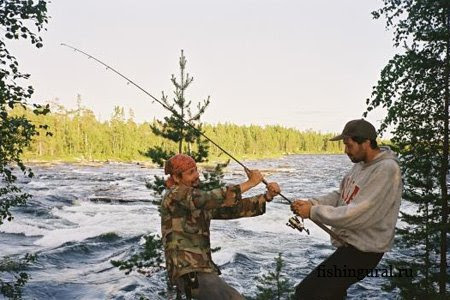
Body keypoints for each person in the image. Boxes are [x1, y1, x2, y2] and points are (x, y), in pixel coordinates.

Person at [290, 119, 403, 300]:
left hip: (365, 252)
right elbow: (341, 195)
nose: (345, 151)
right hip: (351, 247)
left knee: (308, 293)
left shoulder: (387, 169)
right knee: (328, 293)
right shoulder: (360, 166)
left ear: (365, 142)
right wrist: (311, 203)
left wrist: (312, 212)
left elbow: (358, 214)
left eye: (349, 145)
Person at [161, 154, 280, 300]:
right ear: (177, 177)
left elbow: (231, 209)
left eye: (196, 170)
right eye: (191, 172)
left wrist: (266, 196)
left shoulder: (196, 199)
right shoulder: (174, 195)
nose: (197, 175)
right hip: (188, 272)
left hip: (199, 271)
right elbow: (208, 198)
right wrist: (250, 183)